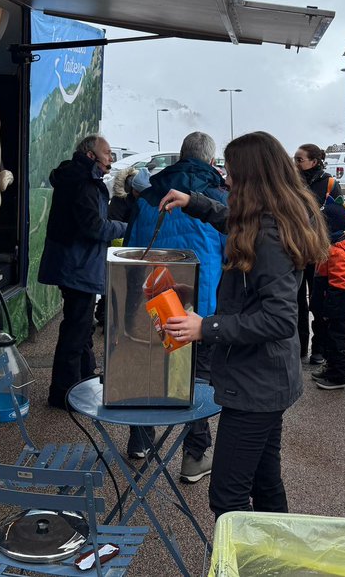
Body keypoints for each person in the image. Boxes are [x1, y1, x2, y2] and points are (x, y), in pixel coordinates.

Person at [158, 131, 329, 518]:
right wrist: (193, 202)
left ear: (252, 177)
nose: (227, 179)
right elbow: (234, 222)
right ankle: (277, 550)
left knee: (227, 497)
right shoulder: (268, 217)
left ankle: (243, 554)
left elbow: (279, 319)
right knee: (265, 483)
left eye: (231, 172)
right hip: (267, 378)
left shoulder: (269, 236)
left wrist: (207, 328)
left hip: (257, 385)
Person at [125, 131, 227, 482]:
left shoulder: (149, 194)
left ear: (180, 156)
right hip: (201, 305)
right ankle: (194, 457)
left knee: (149, 365)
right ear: (211, 161)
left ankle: (140, 439)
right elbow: (232, 252)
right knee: (196, 377)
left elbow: (132, 248)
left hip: (153, 297)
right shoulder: (217, 197)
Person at [39, 135, 126, 409]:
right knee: (75, 332)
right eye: (107, 153)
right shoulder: (83, 183)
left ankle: (86, 380)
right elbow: (94, 227)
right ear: (91, 156)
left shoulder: (77, 177)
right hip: (78, 267)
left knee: (81, 327)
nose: (111, 158)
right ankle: (63, 394)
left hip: (75, 265)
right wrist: (125, 228)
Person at [294, 144, 342, 365]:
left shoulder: (330, 183)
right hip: (295, 250)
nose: (295, 163)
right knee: (295, 302)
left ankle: (319, 348)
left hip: (319, 252)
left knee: (318, 302)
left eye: (299, 159)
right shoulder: (290, 182)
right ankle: (299, 346)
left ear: (314, 162)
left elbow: (339, 217)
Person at [310, 202, 345, 390]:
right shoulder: (330, 246)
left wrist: (330, 307)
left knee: (337, 339)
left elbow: (339, 282)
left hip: (335, 305)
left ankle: (338, 374)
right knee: (327, 337)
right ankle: (330, 366)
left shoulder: (337, 251)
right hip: (328, 303)